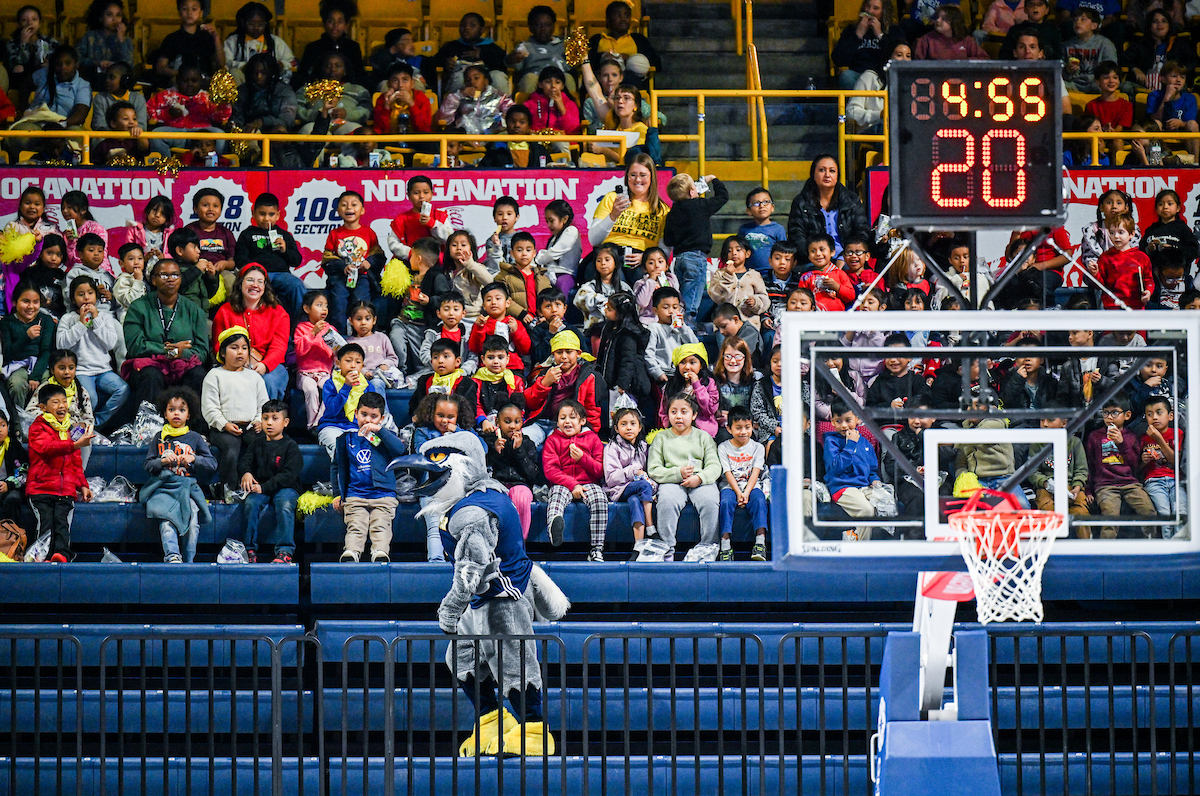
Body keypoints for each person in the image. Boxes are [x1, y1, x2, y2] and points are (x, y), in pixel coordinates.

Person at [219, 399, 302, 564]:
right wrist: (246, 473)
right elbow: (244, 462)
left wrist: (263, 487)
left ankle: (285, 551)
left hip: (285, 488)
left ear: (285, 422)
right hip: (260, 488)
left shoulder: (291, 446)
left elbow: (289, 474)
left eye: (274, 418)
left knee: (285, 505)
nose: (269, 422)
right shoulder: (257, 443)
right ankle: (249, 549)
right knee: (251, 504)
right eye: (265, 418)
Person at [121, 259, 210, 407]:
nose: (170, 279)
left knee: (198, 375)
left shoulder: (194, 310)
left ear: (180, 279)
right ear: (153, 280)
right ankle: (148, 427)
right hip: (149, 365)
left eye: (175, 275)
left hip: (183, 364)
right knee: (150, 375)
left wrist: (182, 354)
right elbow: (135, 347)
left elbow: (202, 351)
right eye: (164, 275)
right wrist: (171, 351)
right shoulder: (138, 307)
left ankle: (193, 427)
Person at [141, 386, 214, 562]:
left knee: (193, 523)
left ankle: (188, 561)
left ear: (188, 415)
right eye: (171, 409)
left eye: (181, 410)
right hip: (164, 488)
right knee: (166, 523)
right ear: (165, 413)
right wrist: (163, 462)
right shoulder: (159, 437)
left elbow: (212, 463)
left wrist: (193, 458)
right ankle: (172, 556)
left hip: (188, 488)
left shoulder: (195, 438)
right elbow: (148, 465)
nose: (176, 414)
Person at [647, 393, 720, 561]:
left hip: (700, 481)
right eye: (673, 412)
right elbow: (654, 469)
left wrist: (700, 478)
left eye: (684, 412)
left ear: (694, 415)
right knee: (666, 501)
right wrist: (677, 473)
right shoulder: (661, 438)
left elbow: (714, 466)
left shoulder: (704, 437)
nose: (678, 416)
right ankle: (667, 549)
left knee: (710, 501)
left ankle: (708, 549)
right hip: (672, 481)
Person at [334, 391, 406, 563]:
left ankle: (380, 553)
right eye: (364, 414)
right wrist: (338, 494)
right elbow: (337, 466)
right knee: (355, 525)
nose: (367, 420)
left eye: (374, 416)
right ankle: (352, 552)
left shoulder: (383, 438)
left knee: (380, 525)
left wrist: (380, 431)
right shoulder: (346, 439)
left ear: (381, 419)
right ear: (355, 414)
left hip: (383, 496)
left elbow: (400, 451)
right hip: (355, 495)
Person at [27, 382, 93, 563]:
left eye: (64, 401)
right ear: (43, 407)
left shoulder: (71, 429)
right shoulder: (37, 427)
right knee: (46, 524)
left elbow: (76, 463)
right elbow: (48, 448)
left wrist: (82, 485)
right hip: (41, 489)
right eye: (55, 402)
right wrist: (74, 445)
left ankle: (62, 555)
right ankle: (42, 556)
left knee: (63, 524)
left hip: (65, 491)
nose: (62, 406)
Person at [202, 326, 268, 499]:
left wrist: (258, 420)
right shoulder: (214, 375)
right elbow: (209, 407)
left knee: (261, 445)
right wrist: (224, 424)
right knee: (231, 449)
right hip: (223, 428)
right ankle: (228, 488)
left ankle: (260, 484)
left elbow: (263, 404)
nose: (240, 352)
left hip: (250, 426)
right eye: (234, 347)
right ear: (223, 352)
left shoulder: (254, 377)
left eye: (244, 348)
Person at [56, 275, 128, 432]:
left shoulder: (105, 318)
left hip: (103, 371)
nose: (86, 297)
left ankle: (95, 424)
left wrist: (96, 320)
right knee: (92, 399)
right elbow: (61, 345)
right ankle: (81, 428)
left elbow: (110, 343)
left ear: (96, 296)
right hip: (81, 371)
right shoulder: (68, 319)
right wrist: (81, 324)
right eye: (80, 294)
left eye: (90, 293)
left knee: (122, 389)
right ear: (73, 299)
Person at [212, 264, 291, 399]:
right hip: (233, 364)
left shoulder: (278, 313)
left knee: (268, 382)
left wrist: (264, 365)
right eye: (250, 280)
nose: (255, 285)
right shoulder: (225, 311)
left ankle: (264, 420)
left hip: (269, 365)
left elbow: (279, 347)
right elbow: (218, 345)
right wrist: (237, 363)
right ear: (240, 282)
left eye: (260, 282)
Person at [542, 399, 608, 559]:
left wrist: (583, 458)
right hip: (563, 484)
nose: (567, 421)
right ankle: (554, 531)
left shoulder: (592, 439)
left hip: (588, 484)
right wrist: (573, 485)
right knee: (556, 495)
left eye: (572, 417)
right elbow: (550, 470)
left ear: (582, 421)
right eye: (562, 418)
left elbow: (600, 470)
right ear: (557, 421)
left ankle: (596, 549)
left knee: (600, 498)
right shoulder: (552, 440)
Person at [587, 154, 670, 280]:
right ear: (626, 178)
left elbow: (665, 249)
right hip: (611, 254)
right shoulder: (612, 198)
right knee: (613, 275)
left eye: (643, 175)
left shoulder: (662, 209)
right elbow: (594, 240)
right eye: (633, 175)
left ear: (652, 177)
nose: (637, 180)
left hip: (642, 259)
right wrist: (613, 216)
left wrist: (646, 257)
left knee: (642, 276)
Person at [1086, 395, 1156, 538]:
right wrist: (1088, 489)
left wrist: (1121, 443)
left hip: (1130, 483)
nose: (1109, 417)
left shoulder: (1131, 436)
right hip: (1105, 485)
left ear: (1127, 415)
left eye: (1114, 412)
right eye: (1106, 413)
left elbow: (1135, 464)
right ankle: (1106, 555)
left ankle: (1151, 546)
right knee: (1110, 518)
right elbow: (1089, 464)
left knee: (1149, 512)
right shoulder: (1095, 436)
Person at [663, 174, 728, 324]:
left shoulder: (672, 213)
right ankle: (686, 331)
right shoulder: (700, 205)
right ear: (692, 192)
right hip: (696, 258)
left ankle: (683, 326)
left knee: (683, 297)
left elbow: (668, 239)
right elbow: (723, 197)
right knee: (690, 305)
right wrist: (714, 180)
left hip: (679, 260)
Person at [522, 330, 604, 448]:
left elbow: (592, 410)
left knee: (557, 445)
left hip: (567, 425)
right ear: (553, 355)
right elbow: (530, 402)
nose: (564, 357)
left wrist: (592, 435)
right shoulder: (546, 373)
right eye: (559, 352)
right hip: (540, 423)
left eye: (569, 352)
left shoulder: (587, 376)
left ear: (578, 353)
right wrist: (545, 383)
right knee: (521, 441)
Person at [786, 155, 869, 264]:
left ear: (838, 175)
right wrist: (819, 259)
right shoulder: (801, 202)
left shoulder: (851, 200)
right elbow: (797, 238)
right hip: (814, 260)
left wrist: (845, 257)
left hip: (847, 260)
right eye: (822, 170)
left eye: (832, 171)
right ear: (813, 174)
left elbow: (862, 233)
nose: (827, 175)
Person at [233, 193, 305, 318]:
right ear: (253, 214)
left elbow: (296, 261)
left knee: (297, 285)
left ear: (278, 215)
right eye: (262, 214)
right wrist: (254, 271)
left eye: (271, 214)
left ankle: (302, 326)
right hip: (257, 275)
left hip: (281, 275)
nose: (267, 219)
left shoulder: (284, 235)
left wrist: (285, 250)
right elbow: (240, 260)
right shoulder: (247, 234)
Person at [322, 190, 382, 334]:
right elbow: (327, 258)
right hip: (340, 279)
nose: (349, 208)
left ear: (362, 210)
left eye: (354, 205)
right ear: (338, 211)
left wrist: (370, 262)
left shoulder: (369, 233)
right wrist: (342, 266)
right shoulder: (335, 234)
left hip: (363, 277)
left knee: (361, 304)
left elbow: (379, 255)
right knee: (338, 305)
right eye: (344, 205)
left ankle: (361, 336)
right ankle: (340, 338)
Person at [145, 64, 233, 158]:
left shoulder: (207, 97)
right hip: (175, 132)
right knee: (155, 135)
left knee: (220, 136)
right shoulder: (165, 95)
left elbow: (221, 117)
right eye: (185, 81)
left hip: (202, 133)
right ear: (177, 80)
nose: (189, 84)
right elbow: (148, 112)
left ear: (201, 81)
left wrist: (224, 103)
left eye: (194, 81)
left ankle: (215, 167)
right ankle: (166, 166)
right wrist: (167, 114)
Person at [316, 343, 382, 465]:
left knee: (378, 443)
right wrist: (346, 387)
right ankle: (341, 482)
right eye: (348, 361)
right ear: (338, 363)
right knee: (340, 449)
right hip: (333, 427)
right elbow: (332, 410)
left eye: (357, 362)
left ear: (362, 365)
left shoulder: (368, 386)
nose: (353, 366)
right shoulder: (330, 384)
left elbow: (373, 412)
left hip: (359, 428)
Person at [718, 405, 768, 561]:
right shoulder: (723, 447)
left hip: (752, 486)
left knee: (760, 501)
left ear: (752, 426)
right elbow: (727, 473)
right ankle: (725, 545)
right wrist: (739, 493)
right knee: (725, 503)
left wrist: (746, 492)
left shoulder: (758, 447)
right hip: (729, 486)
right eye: (738, 428)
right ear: (729, 429)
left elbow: (756, 472)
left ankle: (760, 544)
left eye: (747, 427)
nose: (743, 432)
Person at [484, 400, 539, 538]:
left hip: (520, 485)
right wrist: (495, 450)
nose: (512, 426)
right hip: (497, 484)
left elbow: (532, 474)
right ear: (498, 422)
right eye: (507, 421)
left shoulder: (527, 443)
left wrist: (518, 450)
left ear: (522, 423)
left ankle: (519, 544)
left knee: (521, 497)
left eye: (517, 421)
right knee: (493, 497)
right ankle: (495, 544)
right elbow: (484, 469)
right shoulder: (489, 441)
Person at [595, 292, 652, 418]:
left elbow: (628, 361)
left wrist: (623, 384)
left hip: (624, 385)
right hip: (608, 379)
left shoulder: (628, 334)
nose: (605, 310)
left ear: (620, 313)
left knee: (623, 415)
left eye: (609, 309)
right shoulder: (609, 327)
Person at [0, 282, 54, 409]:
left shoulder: (46, 320)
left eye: (35, 302)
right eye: (25, 301)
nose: (31, 307)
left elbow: (46, 351)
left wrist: (35, 376)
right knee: (17, 384)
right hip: (16, 365)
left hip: (40, 364)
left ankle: (42, 423)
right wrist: (26, 337)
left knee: (47, 385)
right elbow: (8, 353)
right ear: (14, 302)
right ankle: (18, 422)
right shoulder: (7, 322)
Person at [587, 0, 660, 90]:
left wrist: (630, 60)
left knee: (632, 80)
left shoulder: (638, 39)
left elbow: (656, 63)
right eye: (618, 15)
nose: (623, 19)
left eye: (627, 15)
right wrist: (604, 57)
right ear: (608, 19)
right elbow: (587, 62)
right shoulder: (597, 39)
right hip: (604, 81)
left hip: (629, 82)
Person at [151, 0, 224, 89]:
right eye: (185, 9)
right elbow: (160, 67)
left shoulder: (207, 37)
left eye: (194, 9)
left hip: (204, 80)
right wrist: (183, 74)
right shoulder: (172, 38)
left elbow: (221, 64)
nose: (189, 12)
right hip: (181, 81)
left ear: (201, 13)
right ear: (179, 12)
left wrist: (216, 37)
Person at [432, 12, 509, 95]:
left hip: (487, 84)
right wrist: (445, 62)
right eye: (463, 25)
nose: (466, 28)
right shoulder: (451, 46)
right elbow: (435, 61)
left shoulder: (491, 47)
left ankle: (504, 106)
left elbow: (504, 63)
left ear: (482, 30)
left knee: (498, 77)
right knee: (460, 78)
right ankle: (456, 106)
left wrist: (482, 54)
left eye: (472, 25)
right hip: (463, 82)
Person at [294, 0, 365, 88]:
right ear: (324, 23)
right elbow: (303, 76)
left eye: (340, 22)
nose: (335, 26)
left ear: (346, 25)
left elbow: (360, 76)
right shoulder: (313, 48)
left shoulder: (353, 47)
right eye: (331, 21)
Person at [847, 39, 911, 133]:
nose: (904, 60)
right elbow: (851, 111)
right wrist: (879, 115)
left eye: (908, 56)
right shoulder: (870, 77)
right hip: (873, 131)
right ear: (888, 57)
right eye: (899, 55)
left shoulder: (914, 83)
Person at [1093, 212, 1154, 310]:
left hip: (1136, 306)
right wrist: (1095, 273)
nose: (1116, 236)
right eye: (1112, 232)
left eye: (1121, 232)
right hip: (1112, 307)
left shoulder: (1142, 257)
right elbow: (1100, 285)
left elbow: (1148, 279)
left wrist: (1148, 291)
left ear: (1131, 234)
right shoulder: (1105, 258)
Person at [295, 290, 337, 430]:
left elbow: (336, 352)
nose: (324, 309)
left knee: (330, 389)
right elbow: (300, 351)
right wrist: (313, 333)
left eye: (326, 305)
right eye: (319, 305)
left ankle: (320, 422)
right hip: (305, 374)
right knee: (311, 390)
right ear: (307, 308)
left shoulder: (330, 329)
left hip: (324, 373)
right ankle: (311, 425)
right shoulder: (301, 328)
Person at [223, 2, 296, 81]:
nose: (256, 28)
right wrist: (244, 66)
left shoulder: (275, 41)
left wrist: (282, 64)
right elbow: (226, 63)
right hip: (244, 81)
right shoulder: (233, 41)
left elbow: (292, 63)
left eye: (261, 24)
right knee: (234, 73)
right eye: (251, 24)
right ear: (243, 22)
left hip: (269, 81)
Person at [659, 343, 720, 436]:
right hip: (676, 431)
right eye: (682, 362)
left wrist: (697, 385)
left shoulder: (709, 383)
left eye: (692, 362)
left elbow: (709, 410)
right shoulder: (671, 385)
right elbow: (664, 411)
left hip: (703, 432)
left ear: (701, 365)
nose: (687, 367)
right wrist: (670, 426)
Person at [1141, 396, 1183, 528]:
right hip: (1153, 481)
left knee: (1180, 512)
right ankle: (1168, 545)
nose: (1154, 417)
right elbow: (1137, 468)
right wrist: (1143, 461)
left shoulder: (1178, 433)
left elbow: (1177, 461)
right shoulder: (1143, 438)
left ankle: (1180, 545)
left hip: (1176, 480)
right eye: (1149, 414)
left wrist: (1159, 440)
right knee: (1164, 514)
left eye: (1159, 413)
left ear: (1170, 416)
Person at [508, 5, 570, 94]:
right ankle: (530, 107)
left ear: (553, 27)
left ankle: (569, 107)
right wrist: (512, 60)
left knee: (568, 78)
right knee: (530, 78)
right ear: (531, 28)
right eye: (538, 25)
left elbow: (572, 66)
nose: (543, 29)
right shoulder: (525, 47)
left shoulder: (563, 45)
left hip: (558, 78)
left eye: (547, 25)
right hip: (535, 78)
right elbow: (516, 67)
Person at [832, 0, 894, 88]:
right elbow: (838, 59)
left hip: (881, 76)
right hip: (857, 75)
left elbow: (893, 56)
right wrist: (858, 34)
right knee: (846, 76)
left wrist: (880, 35)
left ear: (884, 11)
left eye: (875, 8)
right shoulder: (851, 29)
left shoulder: (893, 30)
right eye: (868, 6)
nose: (870, 11)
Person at [437, 64, 512, 135]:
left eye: (476, 78)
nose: (472, 82)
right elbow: (444, 118)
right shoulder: (459, 97)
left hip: (492, 137)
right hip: (465, 138)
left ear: (486, 81)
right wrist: (458, 96)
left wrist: (500, 122)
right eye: (467, 80)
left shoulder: (498, 96)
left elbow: (511, 111)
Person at [1147, 61, 1200, 160]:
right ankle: (1155, 162)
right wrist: (1166, 99)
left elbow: (1191, 122)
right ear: (1163, 79)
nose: (1179, 80)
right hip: (1161, 132)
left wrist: (1181, 124)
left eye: (1182, 77)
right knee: (1156, 123)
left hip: (1183, 135)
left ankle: (1195, 165)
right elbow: (1153, 120)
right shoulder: (1154, 96)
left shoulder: (1190, 98)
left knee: (1192, 124)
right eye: (1174, 76)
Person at [5, 5, 57, 102]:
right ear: (19, 24)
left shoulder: (49, 42)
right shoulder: (12, 43)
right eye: (24, 20)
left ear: (39, 23)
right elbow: (15, 63)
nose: (30, 23)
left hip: (44, 75)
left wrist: (49, 64)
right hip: (23, 77)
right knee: (19, 69)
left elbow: (58, 57)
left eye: (34, 19)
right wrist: (23, 44)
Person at [75, 0, 132, 86]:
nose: (114, 19)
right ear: (100, 17)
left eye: (118, 15)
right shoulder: (90, 36)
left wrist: (121, 41)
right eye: (109, 15)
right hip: (93, 79)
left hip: (117, 84)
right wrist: (96, 63)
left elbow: (128, 65)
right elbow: (77, 58)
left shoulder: (126, 40)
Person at [1063, 8, 1118, 92]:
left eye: (1083, 19)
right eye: (1075, 20)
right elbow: (1061, 71)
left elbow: (1111, 68)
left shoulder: (1105, 44)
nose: (1078, 22)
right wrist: (1068, 70)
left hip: (1096, 83)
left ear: (1094, 25)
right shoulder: (1067, 45)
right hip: (1073, 83)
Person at [739, 187, 789, 279]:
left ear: (772, 207)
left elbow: (783, 252)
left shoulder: (778, 229)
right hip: (749, 273)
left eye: (766, 202)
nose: (762, 206)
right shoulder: (744, 229)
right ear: (748, 211)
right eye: (756, 203)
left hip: (771, 273)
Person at [915, 6, 987, 59]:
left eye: (943, 19)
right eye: (938, 17)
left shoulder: (967, 41)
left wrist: (964, 63)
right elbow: (918, 65)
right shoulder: (926, 40)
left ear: (955, 22)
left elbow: (984, 59)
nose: (938, 20)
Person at [91, 61, 146, 132]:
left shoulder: (138, 98)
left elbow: (142, 126)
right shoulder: (100, 98)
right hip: (107, 139)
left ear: (125, 80)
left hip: (131, 138)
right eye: (106, 77)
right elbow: (99, 125)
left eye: (112, 77)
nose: (107, 80)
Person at [632, 247, 677, 323]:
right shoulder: (641, 283)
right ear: (644, 268)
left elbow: (679, 301)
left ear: (667, 266)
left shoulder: (671, 280)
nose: (656, 266)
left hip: (670, 321)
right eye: (651, 263)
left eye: (660, 261)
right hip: (648, 321)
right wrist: (651, 281)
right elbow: (642, 303)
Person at [0, 413, 28, 523]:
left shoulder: (14, 446)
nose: (0, 430)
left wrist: (9, 484)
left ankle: (11, 534)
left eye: (3, 425)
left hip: (10, 487)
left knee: (13, 498)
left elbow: (24, 472)